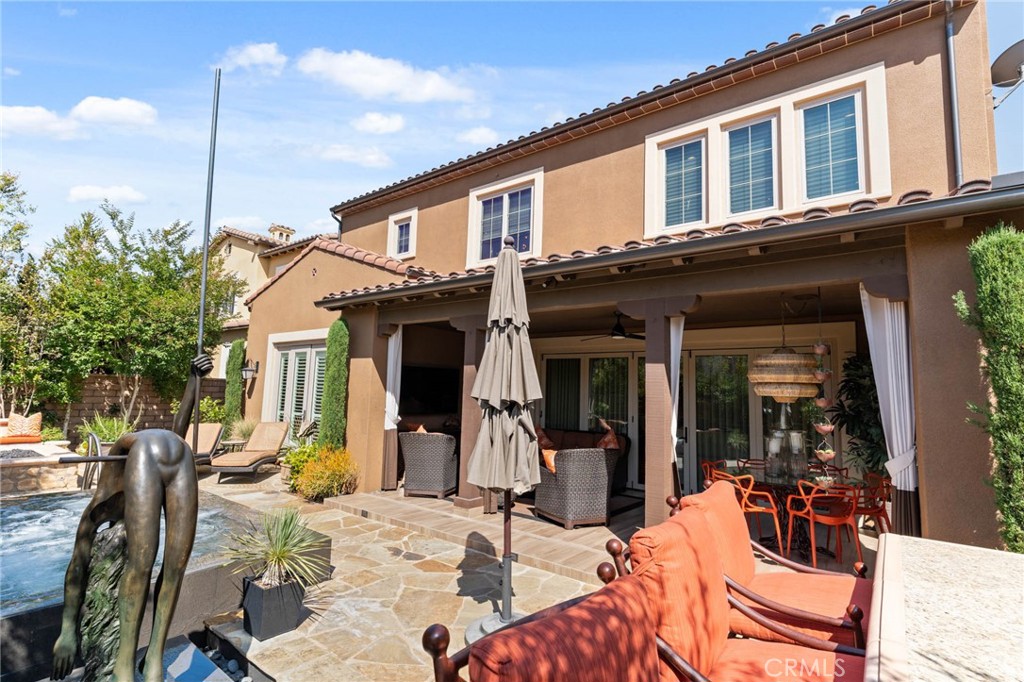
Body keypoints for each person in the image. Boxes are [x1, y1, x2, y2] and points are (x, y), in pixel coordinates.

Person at [52, 353, 213, 682]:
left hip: (175, 450)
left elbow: (76, 568)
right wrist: (192, 384)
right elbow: (175, 434)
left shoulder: (100, 506)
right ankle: (144, 663)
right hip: (178, 452)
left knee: (159, 563)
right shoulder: (104, 505)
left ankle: (135, 663)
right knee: (163, 565)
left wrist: (192, 381)